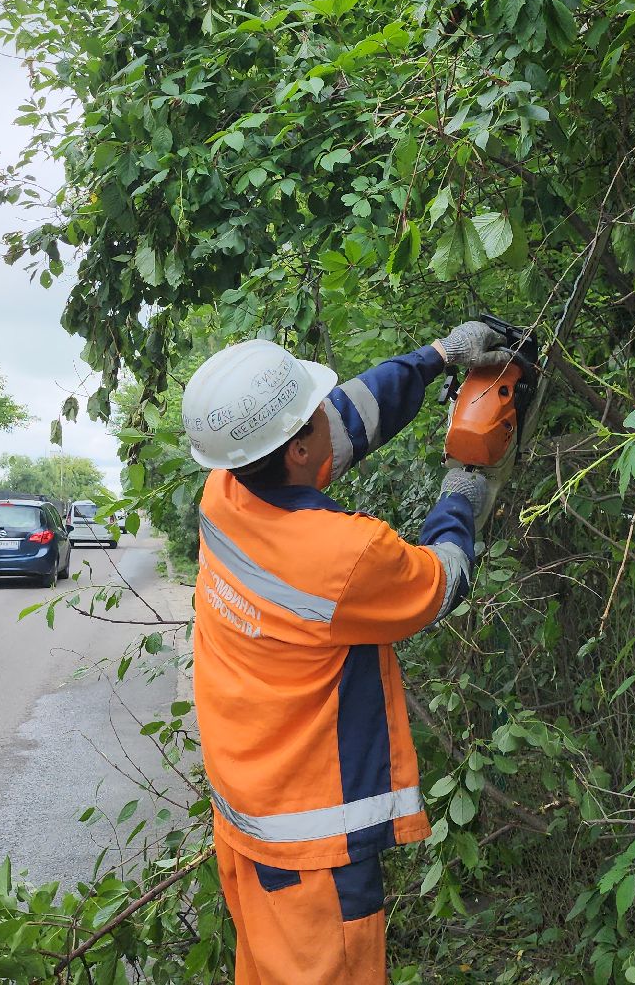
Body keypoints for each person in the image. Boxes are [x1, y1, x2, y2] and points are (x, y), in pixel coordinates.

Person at [180, 322, 512, 983]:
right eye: (314, 417)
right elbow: (441, 581)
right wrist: (464, 486)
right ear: (299, 449)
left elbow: (349, 418)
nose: (332, 420)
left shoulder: (224, 493)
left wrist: (437, 358)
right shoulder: (343, 556)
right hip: (310, 858)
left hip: (248, 823)